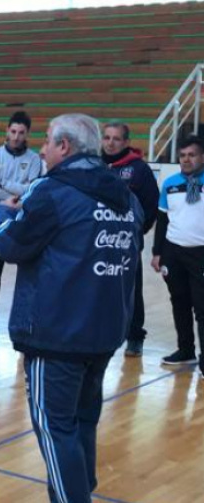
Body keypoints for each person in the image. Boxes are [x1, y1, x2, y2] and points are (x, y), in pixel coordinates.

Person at [0, 113, 142, 503]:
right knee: (82, 421)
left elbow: (9, 244)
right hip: (104, 331)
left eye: (46, 141)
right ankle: (78, 490)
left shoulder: (51, 191)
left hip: (56, 334)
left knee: (54, 426)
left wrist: (2, 213)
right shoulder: (127, 196)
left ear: (64, 146)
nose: (41, 149)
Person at [0, 112, 42, 335]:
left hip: (23, 226)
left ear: (27, 134)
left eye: (21, 133)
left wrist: (4, 183)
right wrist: (18, 190)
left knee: (28, 275)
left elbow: (32, 191)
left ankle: (26, 322)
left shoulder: (35, 160)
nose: (16, 137)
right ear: (7, 130)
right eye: (13, 131)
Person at [101, 122, 159, 357]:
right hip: (96, 241)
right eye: (107, 138)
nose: (110, 143)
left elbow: (151, 205)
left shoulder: (139, 169)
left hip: (127, 242)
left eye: (116, 139)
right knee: (95, 286)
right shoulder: (94, 165)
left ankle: (135, 337)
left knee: (131, 289)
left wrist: (136, 231)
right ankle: (97, 331)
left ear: (126, 142)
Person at [153, 134, 204, 374]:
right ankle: (186, 350)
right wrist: (157, 252)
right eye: (182, 155)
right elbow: (162, 219)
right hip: (174, 252)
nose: (186, 159)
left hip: (201, 253)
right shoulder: (170, 183)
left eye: (191, 155)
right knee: (179, 302)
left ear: (202, 157)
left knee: (202, 307)